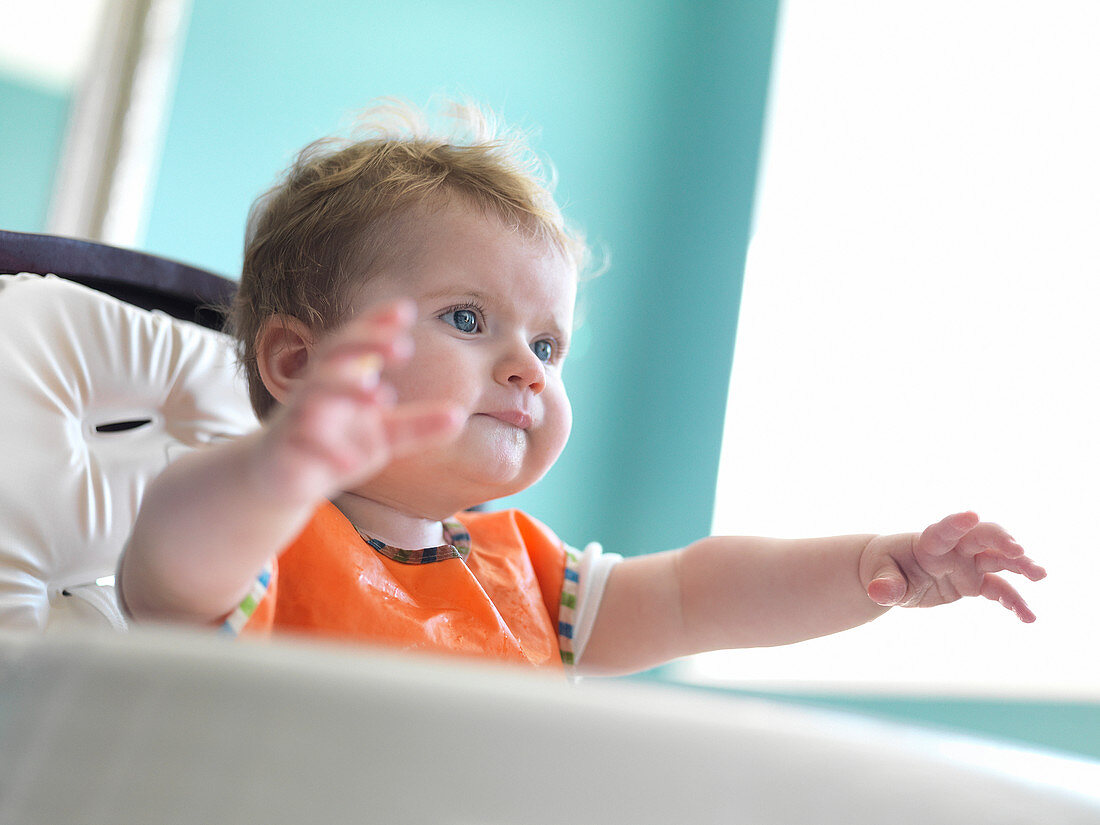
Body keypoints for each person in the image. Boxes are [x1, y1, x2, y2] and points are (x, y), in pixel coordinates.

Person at [117, 98, 1046, 676]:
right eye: (469, 320)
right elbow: (172, 552)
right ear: (296, 362)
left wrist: (868, 566)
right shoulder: (257, 542)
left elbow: (696, 594)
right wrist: (275, 467)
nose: (527, 367)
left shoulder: (522, 570)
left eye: (550, 345)